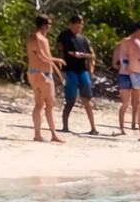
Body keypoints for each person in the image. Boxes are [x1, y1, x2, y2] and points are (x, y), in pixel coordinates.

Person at [25, 15, 66, 143]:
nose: (50, 26)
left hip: (32, 72)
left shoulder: (30, 38)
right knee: (49, 104)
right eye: (49, 24)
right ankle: (53, 134)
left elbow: (42, 57)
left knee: (38, 104)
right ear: (45, 25)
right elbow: (45, 57)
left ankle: (38, 134)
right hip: (43, 74)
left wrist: (58, 73)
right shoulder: (42, 39)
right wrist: (58, 60)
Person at [58, 15, 98, 135]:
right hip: (69, 69)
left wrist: (89, 61)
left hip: (82, 69)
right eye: (77, 24)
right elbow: (60, 52)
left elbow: (92, 54)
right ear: (71, 24)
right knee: (70, 100)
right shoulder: (64, 36)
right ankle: (65, 126)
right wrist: (59, 71)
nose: (79, 27)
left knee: (87, 99)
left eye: (80, 24)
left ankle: (93, 127)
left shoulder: (84, 39)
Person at [112, 38, 132, 135]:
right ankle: (123, 127)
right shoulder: (120, 46)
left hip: (130, 74)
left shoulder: (120, 45)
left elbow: (115, 65)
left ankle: (128, 126)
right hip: (127, 75)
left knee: (131, 103)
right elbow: (115, 64)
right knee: (126, 103)